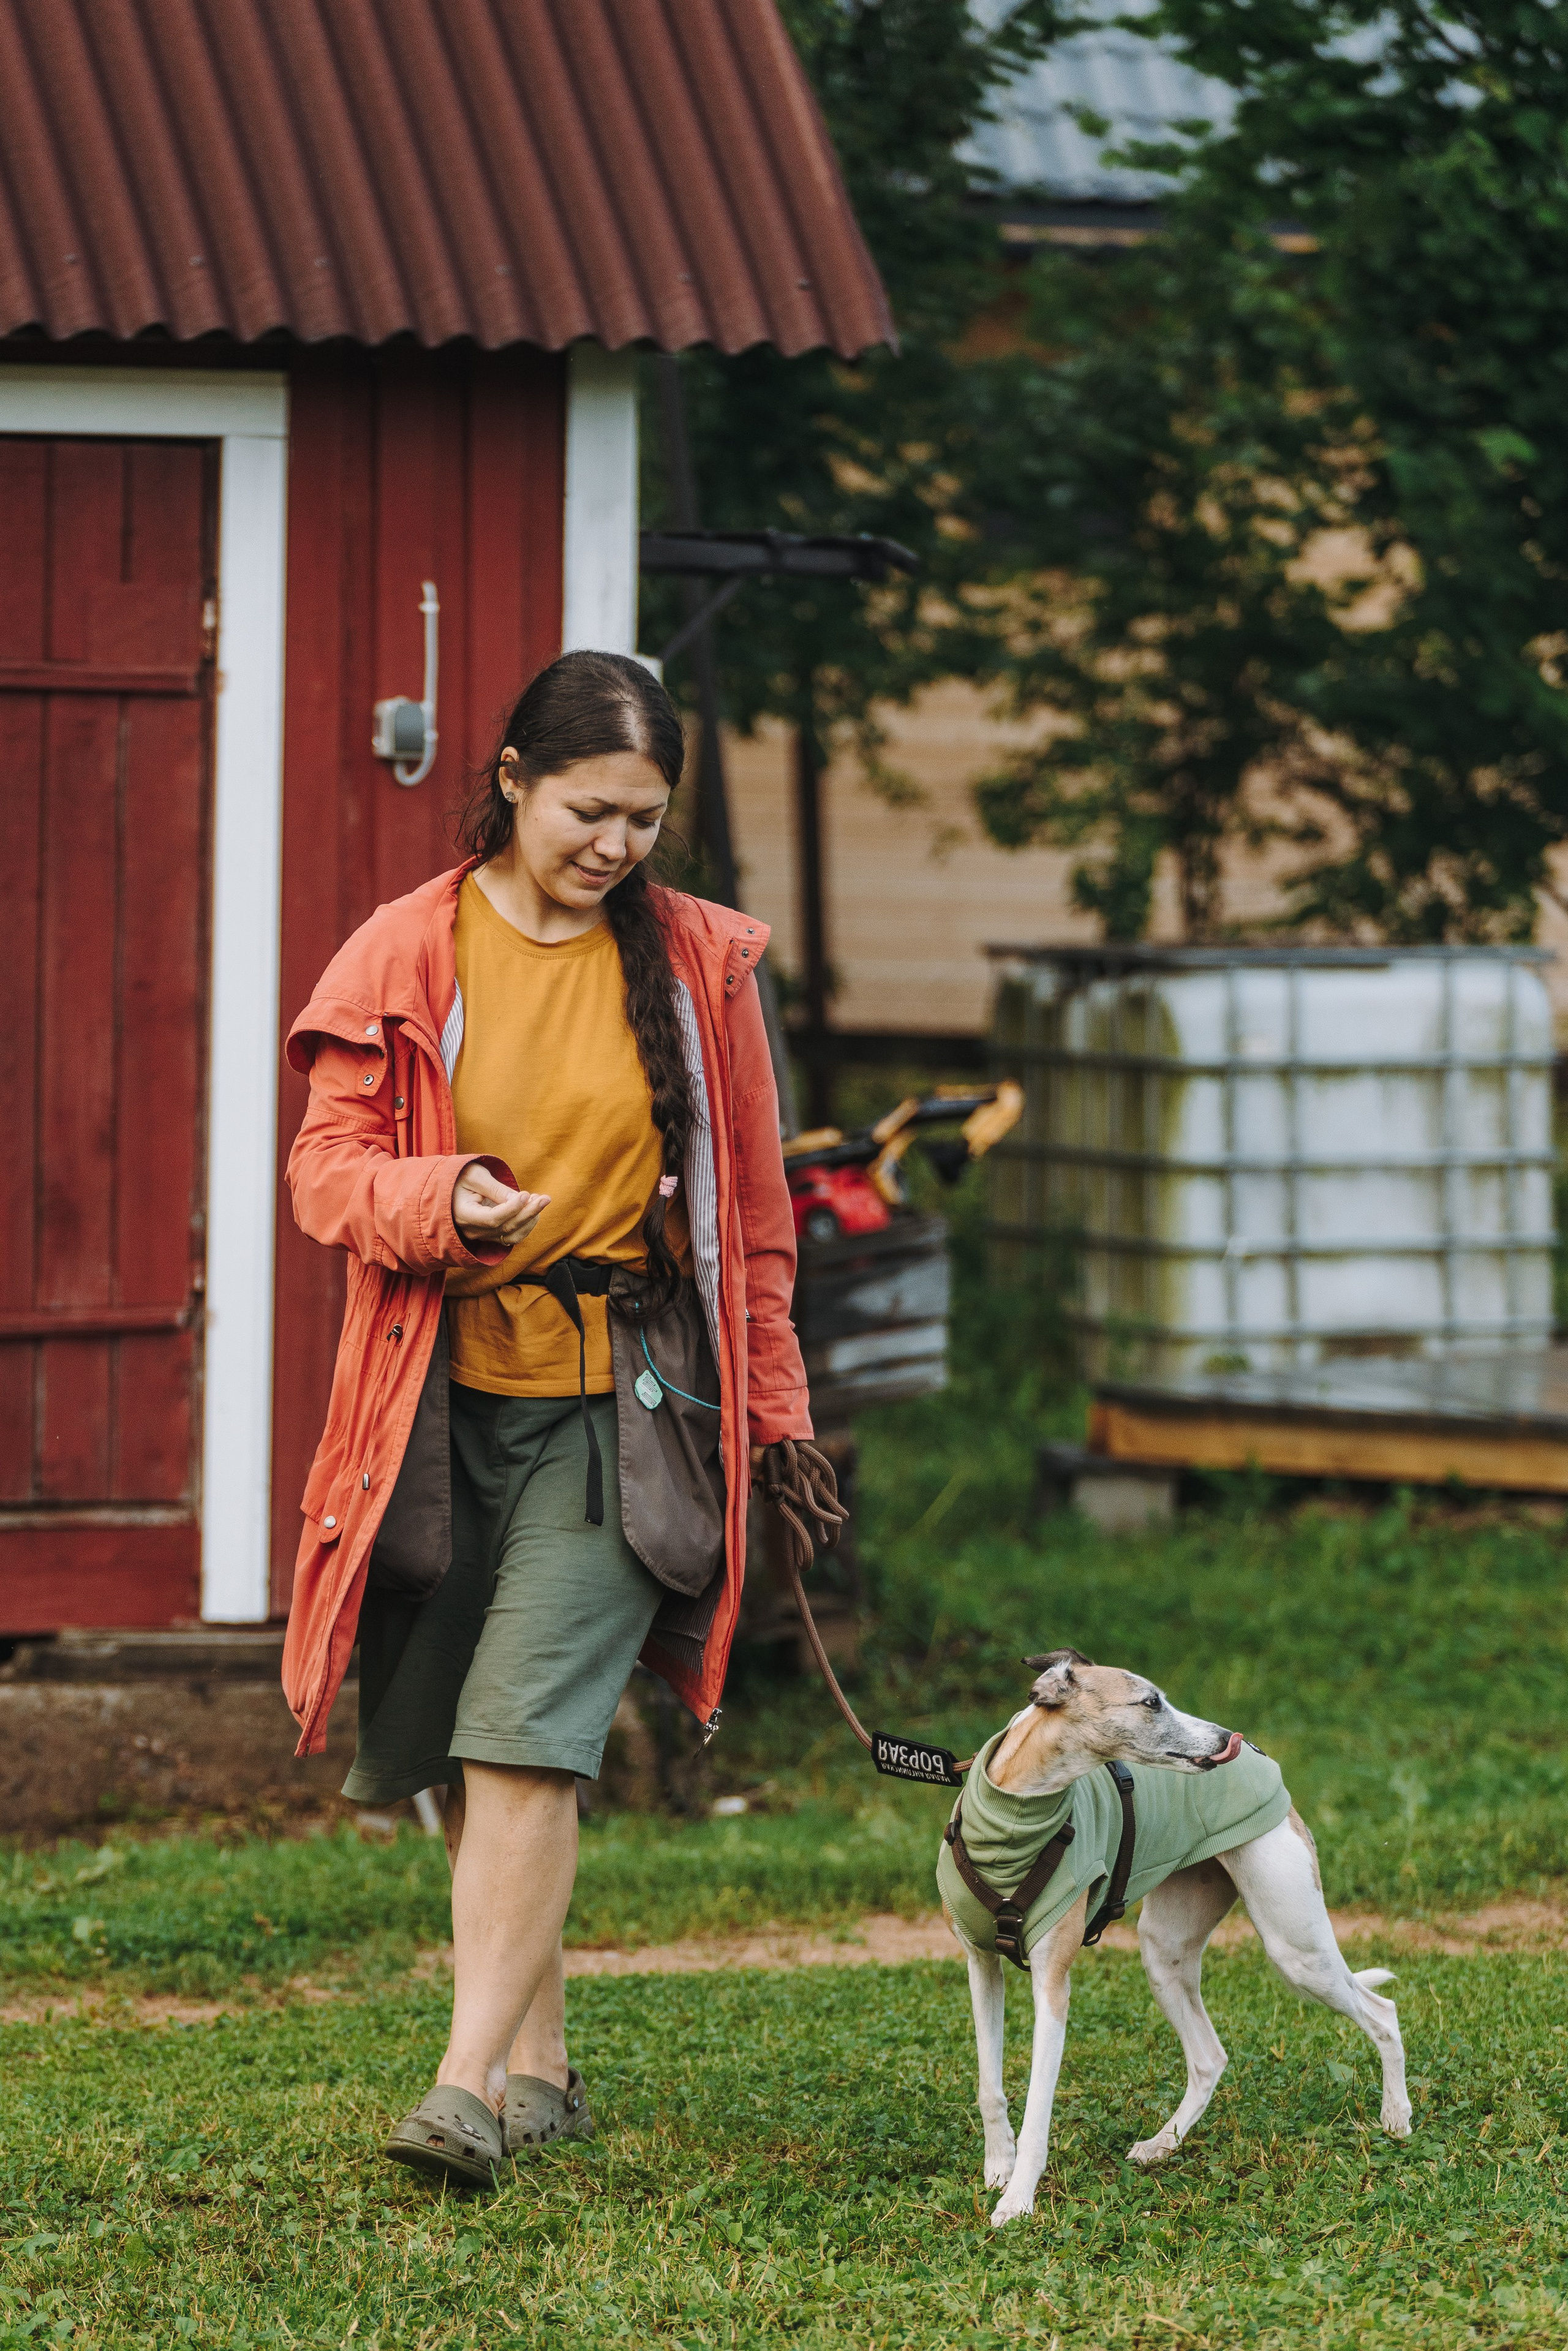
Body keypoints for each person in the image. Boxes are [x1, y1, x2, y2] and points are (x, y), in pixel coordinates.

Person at [279, 650, 840, 2189]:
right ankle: (538, 2060)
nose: (614, 843)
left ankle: (459, 2088)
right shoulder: (406, 950)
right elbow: (323, 1169)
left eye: (645, 819)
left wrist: (773, 1427)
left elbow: (755, 1227)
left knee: (527, 1739)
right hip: (437, 1401)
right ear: (514, 778)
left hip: (628, 1402)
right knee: (456, 1752)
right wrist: (432, 1198)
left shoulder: (696, 968)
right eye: (589, 808)